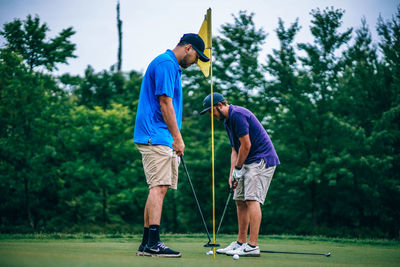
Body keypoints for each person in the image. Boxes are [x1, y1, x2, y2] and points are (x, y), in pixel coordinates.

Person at [134, 33, 209, 258]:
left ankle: (147, 244)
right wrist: (178, 138)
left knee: (158, 187)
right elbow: (165, 102)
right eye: (196, 56)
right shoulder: (167, 64)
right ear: (188, 48)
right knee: (159, 187)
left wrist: (174, 137)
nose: (196, 62)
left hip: (157, 135)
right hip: (156, 134)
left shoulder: (169, 65)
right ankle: (154, 243)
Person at [200, 93, 280, 257]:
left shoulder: (238, 115)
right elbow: (235, 150)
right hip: (247, 161)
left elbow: (246, 145)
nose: (211, 115)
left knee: (251, 199)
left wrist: (238, 168)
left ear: (221, 105)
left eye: (211, 111)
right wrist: (232, 174)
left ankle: (252, 246)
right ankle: (241, 242)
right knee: (239, 200)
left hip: (261, 160)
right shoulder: (228, 121)